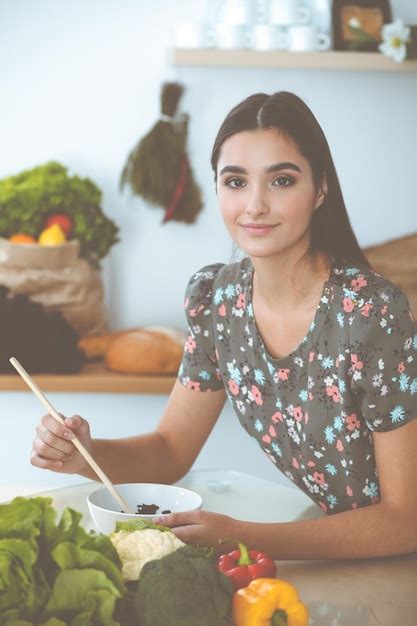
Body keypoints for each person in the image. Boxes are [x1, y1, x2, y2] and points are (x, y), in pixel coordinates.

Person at [31, 91, 417, 560]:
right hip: (345, 548)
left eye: (281, 180)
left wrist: (243, 535)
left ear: (320, 189)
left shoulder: (370, 313)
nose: (254, 204)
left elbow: (403, 520)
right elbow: (169, 450)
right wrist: (85, 456)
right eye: (235, 181)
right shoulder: (218, 301)